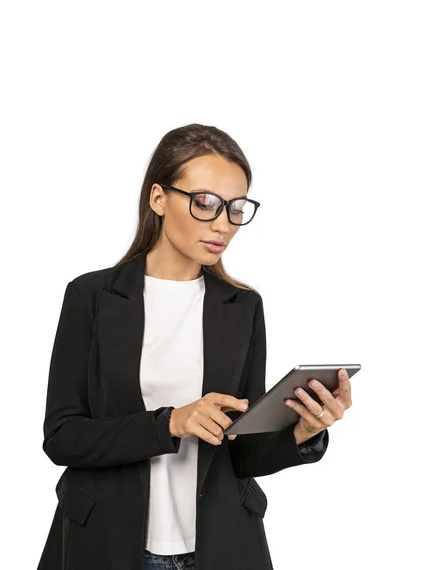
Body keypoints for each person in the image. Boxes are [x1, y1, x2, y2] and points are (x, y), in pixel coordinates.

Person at [37, 123, 352, 570]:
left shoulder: (242, 307)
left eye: (236, 208)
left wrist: (302, 433)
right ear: (158, 198)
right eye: (205, 203)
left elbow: (240, 450)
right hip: (109, 543)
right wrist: (170, 423)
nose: (223, 224)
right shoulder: (91, 297)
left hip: (221, 546)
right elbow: (62, 438)